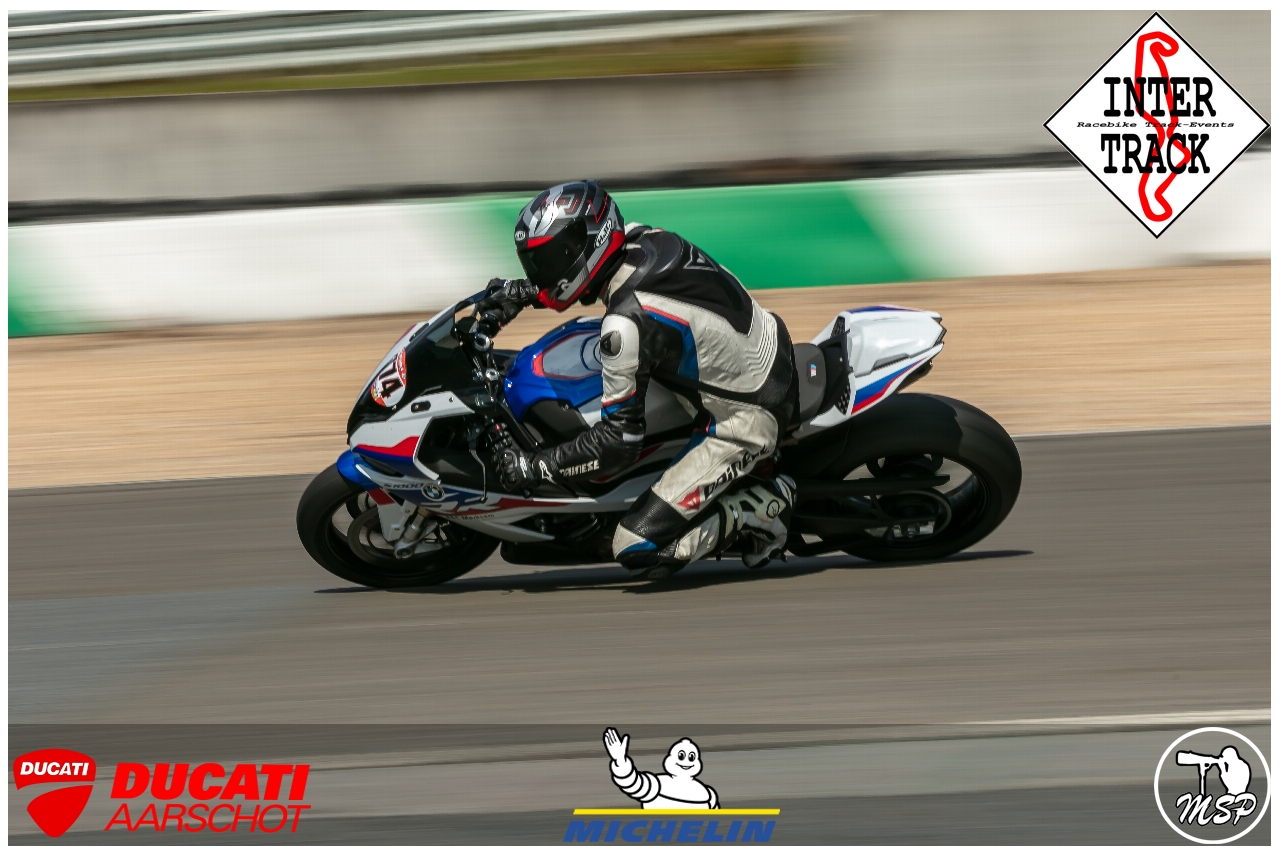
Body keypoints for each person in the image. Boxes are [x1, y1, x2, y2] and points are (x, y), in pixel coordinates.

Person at [481, 180, 796, 579]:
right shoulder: (640, 238)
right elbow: (580, 277)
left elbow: (620, 442)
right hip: (766, 343)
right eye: (536, 263)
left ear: (590, 241)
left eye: (553, 258)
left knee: (634, 544)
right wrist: (525, 292)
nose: (544, 272)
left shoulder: (624, 325)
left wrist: (538, 467)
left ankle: (760, 508)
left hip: (746, 417)